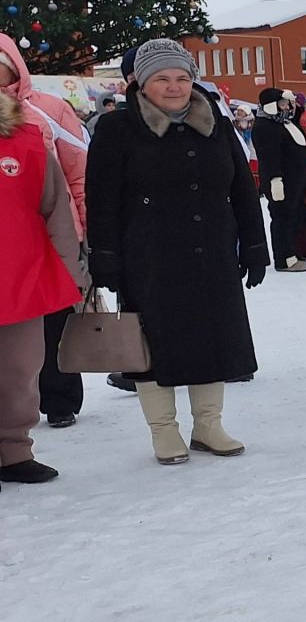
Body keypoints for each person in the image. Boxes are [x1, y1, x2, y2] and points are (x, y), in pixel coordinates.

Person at [87, 40, 267, 464]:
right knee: (153, 343)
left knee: (215, 336)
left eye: (183, 78)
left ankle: (208, 425)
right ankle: (164, 430)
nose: (174, 87)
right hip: (149, 255)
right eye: (162, 78)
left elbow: (242, 189)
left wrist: (255, 244)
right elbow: (102, 198)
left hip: (213, 252)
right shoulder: (117, 129)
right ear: (142, 83)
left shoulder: (216, 124)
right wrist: (105, 256)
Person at [1, 35, 90, 430]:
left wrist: (86, 227)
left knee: (55, 319)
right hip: (11, 238)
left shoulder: (49, 110)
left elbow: (77, 169)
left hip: (54, 232)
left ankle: (59, 399)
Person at [254, 89, 306, 272]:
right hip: (282, 182)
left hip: (296, 182)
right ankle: (284, 257)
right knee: (282, 219)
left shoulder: (284, 122)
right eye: (282, 104)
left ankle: (294, 252)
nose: (287, 107)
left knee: (295, 218)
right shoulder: (264, 126)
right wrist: (275, 179)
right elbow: (269, 156)